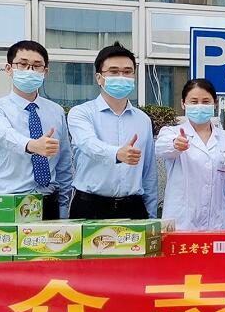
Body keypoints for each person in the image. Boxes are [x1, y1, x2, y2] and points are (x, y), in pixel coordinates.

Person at [0, 39, 73, 219]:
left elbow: (64, 164)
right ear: (9, 69)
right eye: (22, 64)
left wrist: (63, 208)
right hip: (7, 201)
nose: (30, 70)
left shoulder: (56, 111)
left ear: (45, 72)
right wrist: (32, 145)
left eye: (37, 66)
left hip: (48, 202)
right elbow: (4, 134)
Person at [67, 43, 158, 220]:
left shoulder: (143, 119)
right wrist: (117, 154)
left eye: (127, 72)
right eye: (114, 72)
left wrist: (152, 215)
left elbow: (149, 173)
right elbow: (88, 144)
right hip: (90, 206)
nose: (121, 77)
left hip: (133, 207)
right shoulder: (81, 113)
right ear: (99, 78)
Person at [155, 78, 225, 232]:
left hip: (219, 223)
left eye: (206, 101)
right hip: (182, 223)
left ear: (215, 103)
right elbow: (161, 147)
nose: (200, 106)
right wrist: (175, 144)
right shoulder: (171, 133)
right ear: (183, 103)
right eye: (194, 101)